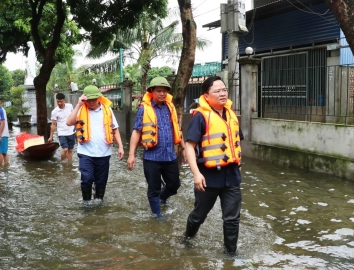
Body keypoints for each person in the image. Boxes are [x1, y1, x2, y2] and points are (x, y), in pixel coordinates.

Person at [183, 76, 243, 254]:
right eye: (217, 91)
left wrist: (239, 164)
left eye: (224, 90)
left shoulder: (231, 115)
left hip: (231, 175)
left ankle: (231, 254)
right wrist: (196, 174)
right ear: (206, 96)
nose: (223, 93)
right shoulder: (200, 117)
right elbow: (189, 145)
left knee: (232, 219)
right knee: (199, 215)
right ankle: (186, 238)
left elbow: (238, 142)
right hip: (207, 177)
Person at [127, 77, 186, 218]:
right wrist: (131, 154)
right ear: (151, 91)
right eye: (159, 91)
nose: (162, 94)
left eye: (165, 91)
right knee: (154, 188)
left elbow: (177, 129)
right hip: (152, 157)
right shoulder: (144, 109)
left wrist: (184, 149)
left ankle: (162, 198)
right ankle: (157, 215)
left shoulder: (170, 108)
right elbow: (137, 131)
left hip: (170, 156)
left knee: (174, 185)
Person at [66, 85, 124, 205]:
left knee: (101, 181)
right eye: (89, 99)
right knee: (86, 179)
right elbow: (69, 122)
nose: (91, 102)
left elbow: (115, 129)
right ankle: (86, 203)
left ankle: (98, 202)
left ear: (99, 98)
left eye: (94, 99)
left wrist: (121, 146)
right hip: (86, 152)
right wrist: (78, 105)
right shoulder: (81, 109)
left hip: (104, 153)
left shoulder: (107, 110)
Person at [48, 93, 75, 162]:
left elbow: (73, 116)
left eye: (61, 101)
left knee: (70, 150)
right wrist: (51, 136)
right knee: (65, 149)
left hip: (71, 131)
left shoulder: (70, 106)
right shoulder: (54, 112)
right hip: (62, 133)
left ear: (64, 100)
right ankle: (63, 163)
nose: (59, 103)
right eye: (58, 101)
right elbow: (53, 124)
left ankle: (69, 165)